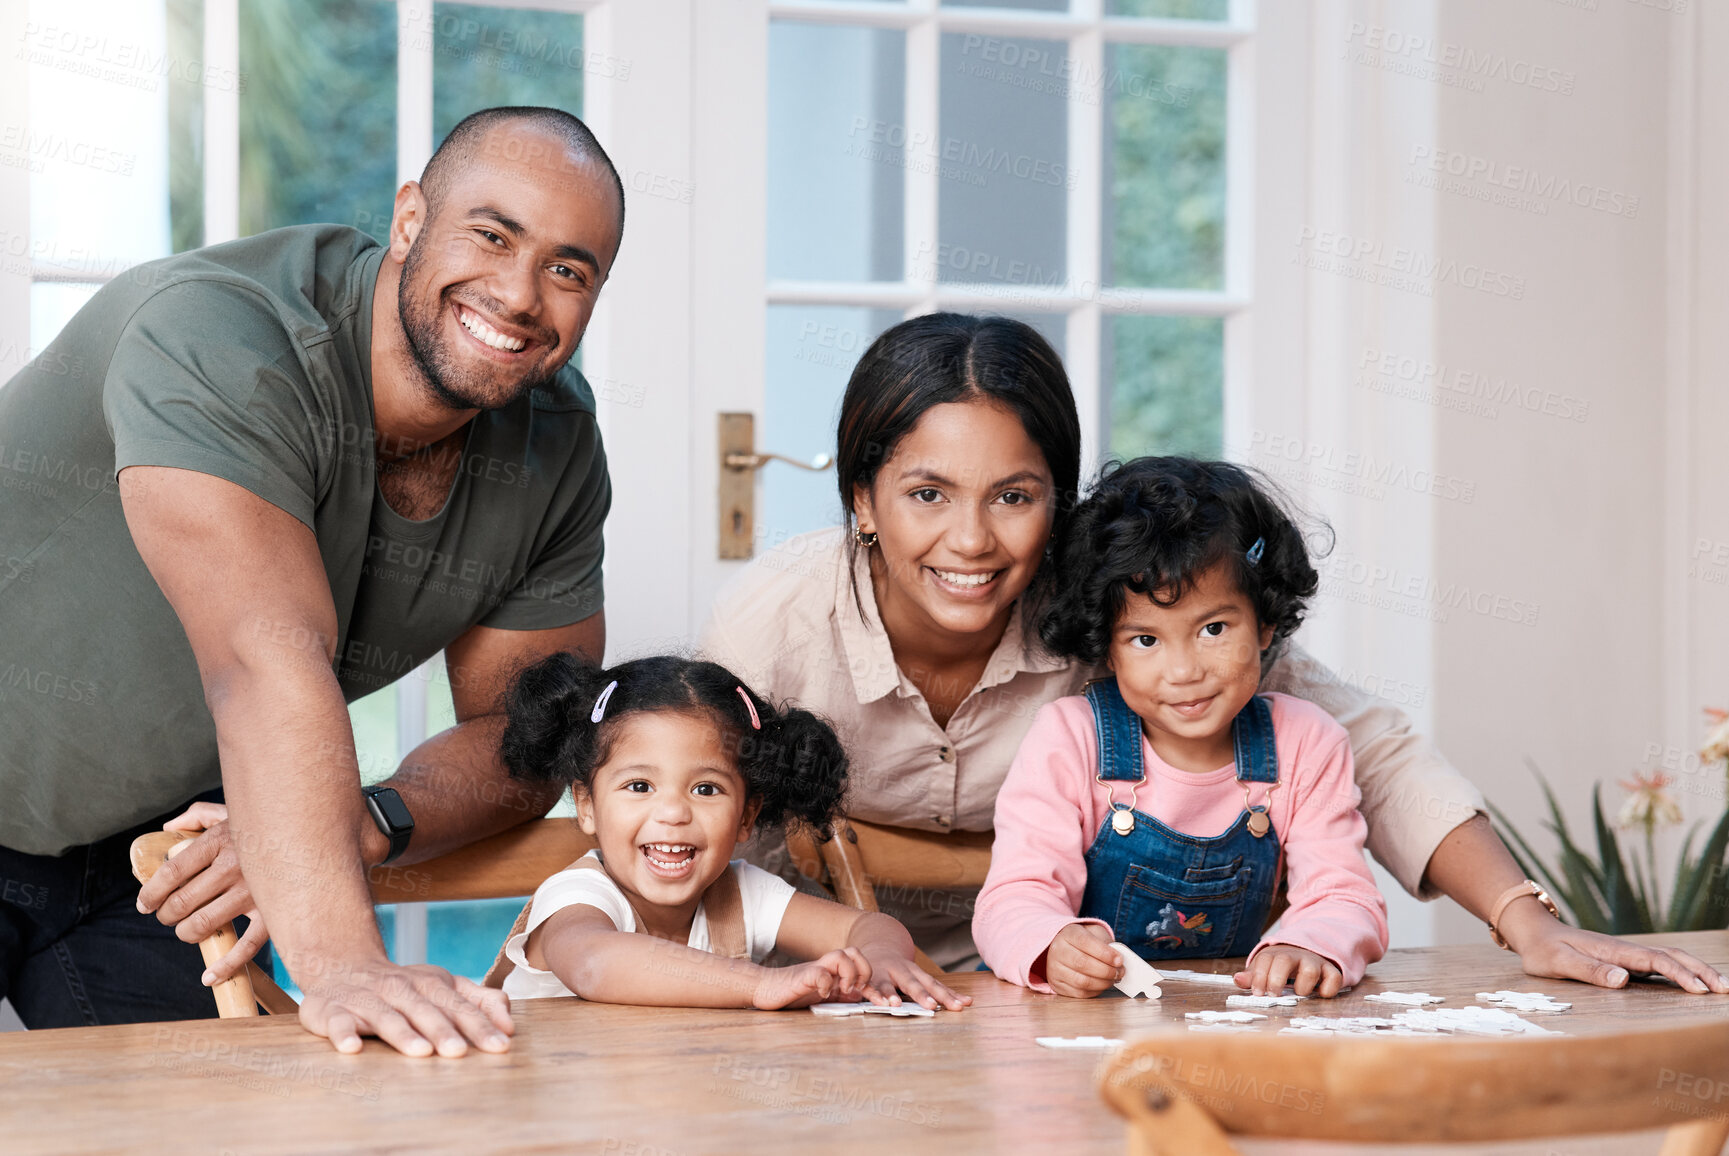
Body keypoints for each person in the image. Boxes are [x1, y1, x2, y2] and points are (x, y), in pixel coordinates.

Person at [701, 312, 1729, 993]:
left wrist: (1523, 917)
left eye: (1014, 496)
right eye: (927, 493)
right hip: (827, 985)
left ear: (1056, 502)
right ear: (861, 500)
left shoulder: (1120, 605)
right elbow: (673, 815)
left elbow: (1366, 745)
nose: (970, 542)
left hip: (1071, 999)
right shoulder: (776, 623)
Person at [0, 106, 623, 1054]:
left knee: (225, 1121)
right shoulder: (220, 336)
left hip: (157, 856)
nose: (519, 293)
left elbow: (534, 735)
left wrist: (363, 820)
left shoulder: (556, 444)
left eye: (568, 269)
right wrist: (343, 965)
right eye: (491, 235)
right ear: (410, 219)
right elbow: (261, 660)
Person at [974, 457, 1387, 998]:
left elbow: (1343, 894)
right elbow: (1013, 894)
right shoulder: (1070, 739)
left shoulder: (1307, 742)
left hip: (1220, 1027)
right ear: (1108, 648)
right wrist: (1050, 943)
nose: (1185, 671)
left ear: (1264, 624)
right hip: (1068, 1026)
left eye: (1213, 628)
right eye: (1145, 640)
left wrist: (1312, 944)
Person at [492, 652, 970, 1012]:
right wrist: (759, 984)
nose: (674, 813)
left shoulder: (742, 893)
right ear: (587, 805)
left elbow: (868, 926)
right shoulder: (578, 895)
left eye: (706, 788)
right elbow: (596, 963)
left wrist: (881, 959)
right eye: (640, 785)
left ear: (745, 816)